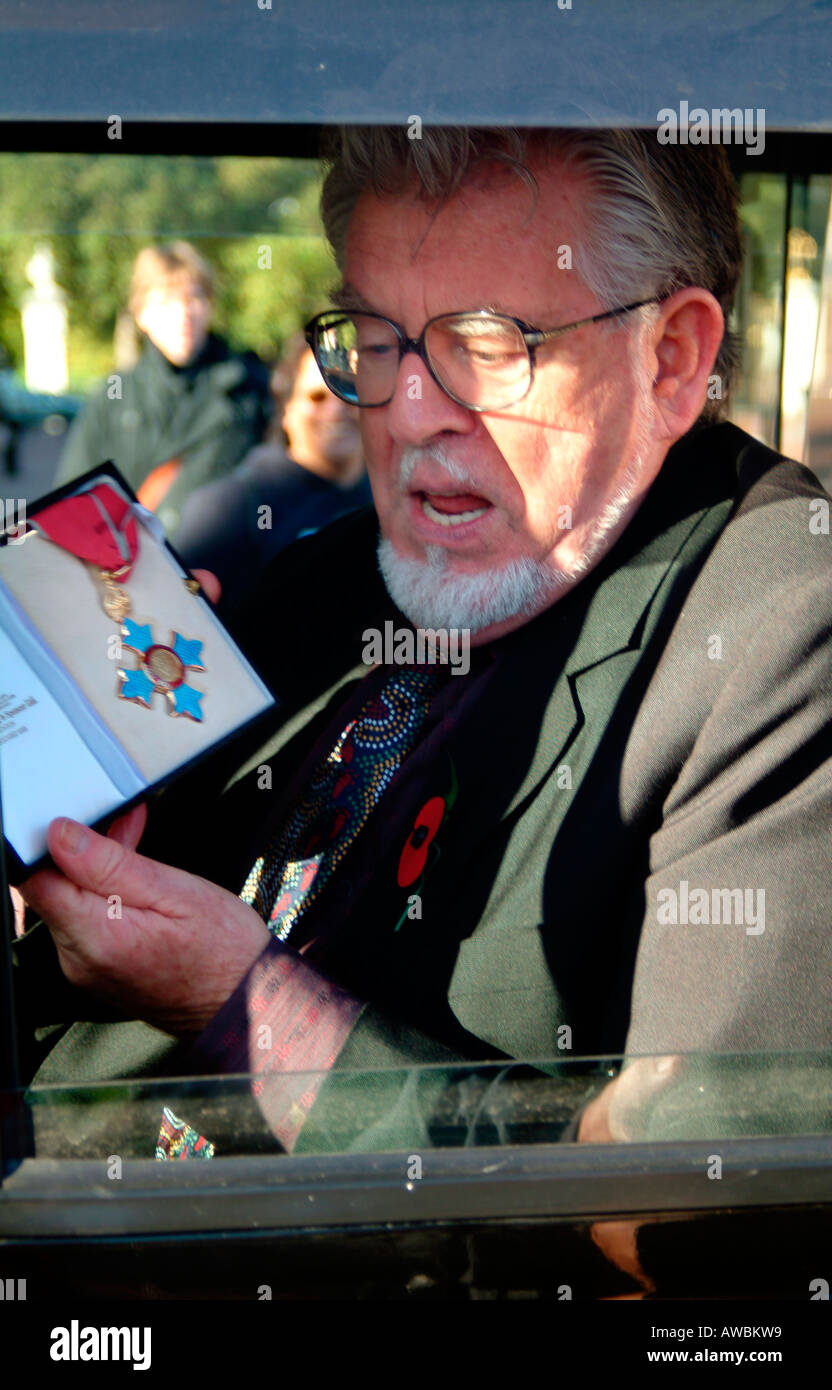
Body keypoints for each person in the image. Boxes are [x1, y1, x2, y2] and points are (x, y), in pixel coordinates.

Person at [14, 127, 832, 1160]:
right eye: (374, 336)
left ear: (670, 359)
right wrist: (65, 786)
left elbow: (689, 1216)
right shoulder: (326, 573)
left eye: (485, 346)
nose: (406, 415)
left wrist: (248, 1004)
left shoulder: (780, 624)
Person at [54, 241, 272, 536]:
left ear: (210, 307)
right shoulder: (112, 397)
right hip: (132, 572)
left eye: (195, 297)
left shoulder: (248, 390)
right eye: (168, 300)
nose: (184, 313)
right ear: (141, 313)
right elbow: (73, 503)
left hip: (219, 569)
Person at [173, 337, 372, 618]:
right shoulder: (226, 507)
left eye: (349, 391)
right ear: (287, 410)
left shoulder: (391, 499)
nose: (337, 409)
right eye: (317, 396)